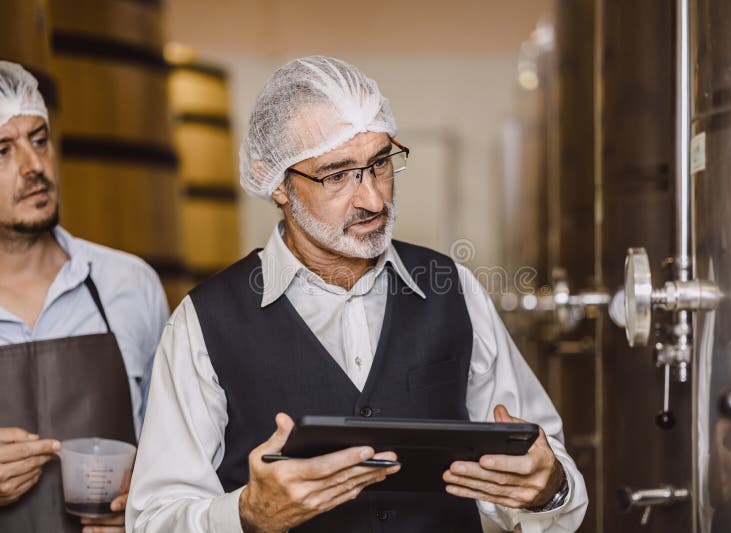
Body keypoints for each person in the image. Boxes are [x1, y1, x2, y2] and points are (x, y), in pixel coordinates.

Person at [127, 55, 587, 532]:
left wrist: (548, 488)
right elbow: (154, 519)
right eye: (337, 174)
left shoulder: (454, 289)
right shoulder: (205, 323)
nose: (372, 199)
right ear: (277, 182)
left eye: (380, 163)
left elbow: (551, 475)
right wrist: (246, 515)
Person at [0, 61, 169, 532]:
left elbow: (186, 456)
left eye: (39, 139)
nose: (34, 166)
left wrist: (145, 507)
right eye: (2, 150)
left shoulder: (128, 284)